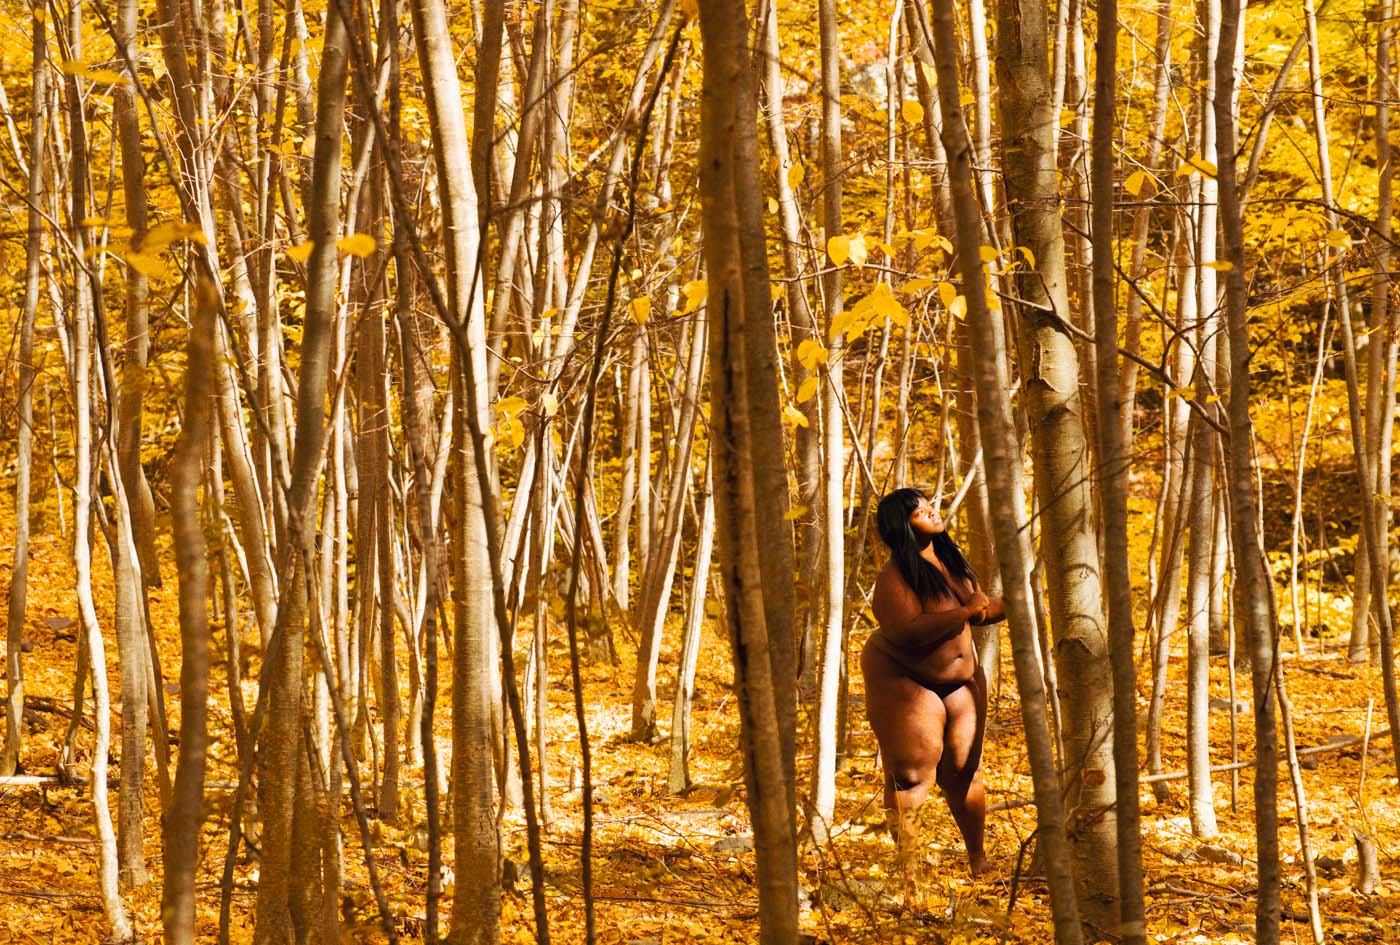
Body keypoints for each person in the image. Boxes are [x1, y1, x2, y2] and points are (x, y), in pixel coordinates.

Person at [861, 487, 1004, 880]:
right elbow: (906, 631)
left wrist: (1020, 602)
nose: (930, 512)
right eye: (918, 511)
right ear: (901, 526)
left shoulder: (951, 563)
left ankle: (978, 858)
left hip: (962, 683)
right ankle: (909, 872)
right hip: (905, 678)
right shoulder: (894, 577)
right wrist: (964, 610)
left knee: (965, 770)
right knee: (911, 775)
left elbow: (981, 611)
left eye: (929, 505)